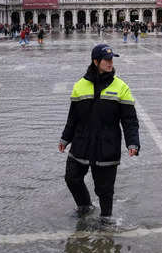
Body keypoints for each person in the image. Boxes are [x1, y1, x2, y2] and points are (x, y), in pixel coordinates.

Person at [59, 44, 140, 223]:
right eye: (107, 60)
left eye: (112, 60)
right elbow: (72, 117)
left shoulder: (121, 87)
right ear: (96, 61)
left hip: (107, 144)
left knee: (104, 188)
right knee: (72, 178)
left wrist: (132, 143)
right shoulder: (80, 85)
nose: (111, 63)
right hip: (81, 143)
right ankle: (85, 206)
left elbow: (129, 120)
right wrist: (65, 138)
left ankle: (106, 220)